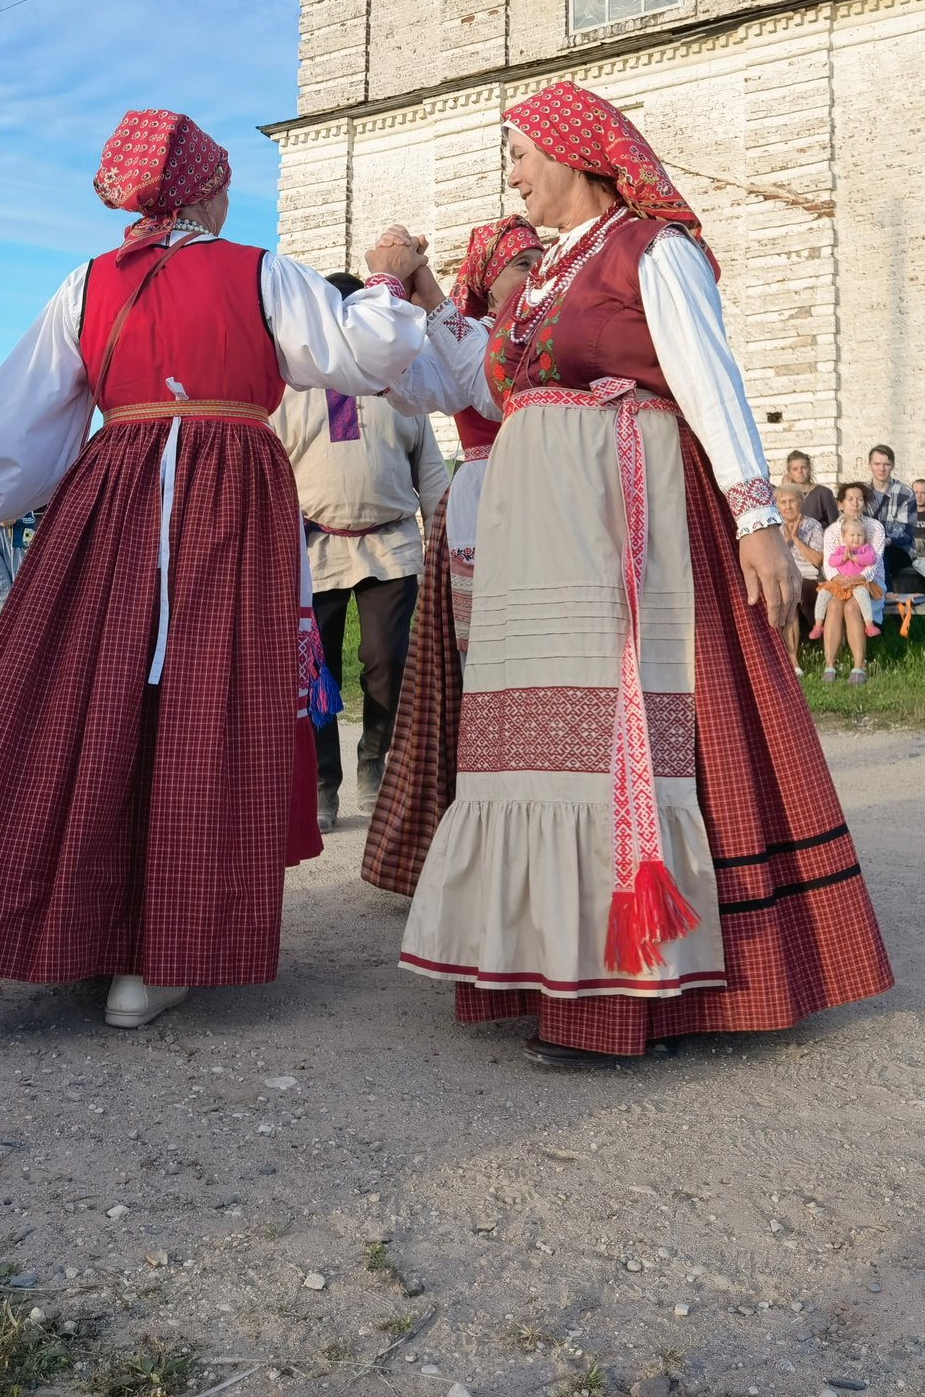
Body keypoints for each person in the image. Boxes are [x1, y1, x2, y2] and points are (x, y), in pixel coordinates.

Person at [376, 78, 893, 1065]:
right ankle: (549, 960)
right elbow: (482, 376)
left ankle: (634, 986)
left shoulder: (652, 252)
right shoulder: (536, 282)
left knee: (617, 738)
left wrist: (755, 518)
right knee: (541, 742)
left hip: (625, 523)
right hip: (542, 544)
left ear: (576, 154)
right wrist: (427, 298)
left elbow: (708, 376)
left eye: (523, 151)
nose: (513, 171)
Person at [0, 110, 429, 1031]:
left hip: (115, 489)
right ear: (203, 191)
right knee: (200, 699)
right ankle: (156, 951)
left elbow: (27, 418)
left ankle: (86, 929)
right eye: (224, 181)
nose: (231, 197)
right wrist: (385, 273)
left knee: (95, 690)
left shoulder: (88, 282)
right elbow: (363, 352)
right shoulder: (257, 269)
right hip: (230, 490)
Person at [361, 215, 543, 899]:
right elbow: (421, 386)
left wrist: (425, 286)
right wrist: (404, 285)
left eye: (538, 258)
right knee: (481, 668)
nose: (536, 271)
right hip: (486, 496)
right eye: (522, 263)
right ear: (489, 282)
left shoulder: (537, 335)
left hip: (542, 493)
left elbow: (491, 378)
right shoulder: (479, 336)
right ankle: (480, 831)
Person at [274, 274, 453, 831]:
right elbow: (273, 470)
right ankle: (323, 783)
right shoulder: (291, 389)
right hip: (315, 549)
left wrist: (445, 532)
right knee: (317, 672)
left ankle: (375, 766)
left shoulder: (401, 386)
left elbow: (430, 471)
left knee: (387, 662)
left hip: (391, 546)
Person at [815, 480, 886, 682]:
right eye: (850, 499)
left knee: (852, 607)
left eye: (860, 499)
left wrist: (859, 578)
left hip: (868, 583)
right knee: (834, 605)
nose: (855, 503)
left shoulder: (874, 527)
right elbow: (829, 565)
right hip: (841, 583)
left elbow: (875, 560)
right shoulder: (832, 531)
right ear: (840, 504)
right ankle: (830, 666)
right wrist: (840, 580)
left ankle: (858, 666)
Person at [864, 445, 923, 592]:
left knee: (879, 555)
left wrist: (883, 541)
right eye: (877, 464)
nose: (881, 469)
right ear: (869, 465)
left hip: (898, 548)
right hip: (867, 546)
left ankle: (886, 599)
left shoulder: (905, 492)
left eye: (886, 464)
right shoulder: (862, 492)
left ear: (893, 466)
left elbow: (905, 531)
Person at [776, 482, 826, 654]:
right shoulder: (773, 527)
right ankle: (793, 659)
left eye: (792, 501)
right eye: (783, 502)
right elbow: (773, 558)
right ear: (777, 505)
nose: (788, 506)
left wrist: (796, 539)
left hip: (808, 578)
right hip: (783, 577)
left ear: (801, 502)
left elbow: (817, 561)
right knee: (788, 593)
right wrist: (786, 539)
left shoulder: (813, 525)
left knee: (796, 591)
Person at [782, 449, 837, 529]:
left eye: (803, 468)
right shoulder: (784, 496)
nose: (800, 472)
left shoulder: (824, 493)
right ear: (790, 473)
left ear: (809, 469)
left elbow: (834, 525)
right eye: (795, 469)